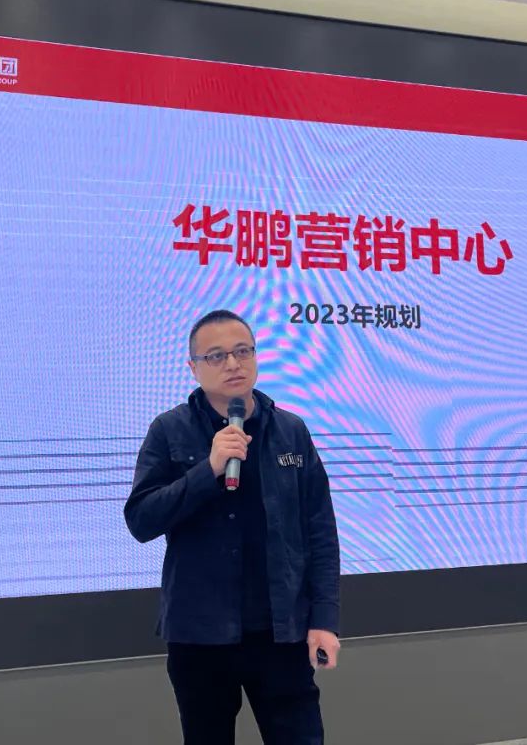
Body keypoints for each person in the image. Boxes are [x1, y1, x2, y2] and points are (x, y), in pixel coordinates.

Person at [124, 309, 341, 745]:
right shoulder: (169, 430)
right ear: (193, 367)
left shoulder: (291, 431)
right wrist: (208, 469)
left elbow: (320, 532)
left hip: (281, 634)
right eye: (216, 355)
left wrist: (324, 619)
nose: (233, 364)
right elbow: (142, 519)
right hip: (200, 636)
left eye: (243, 351)